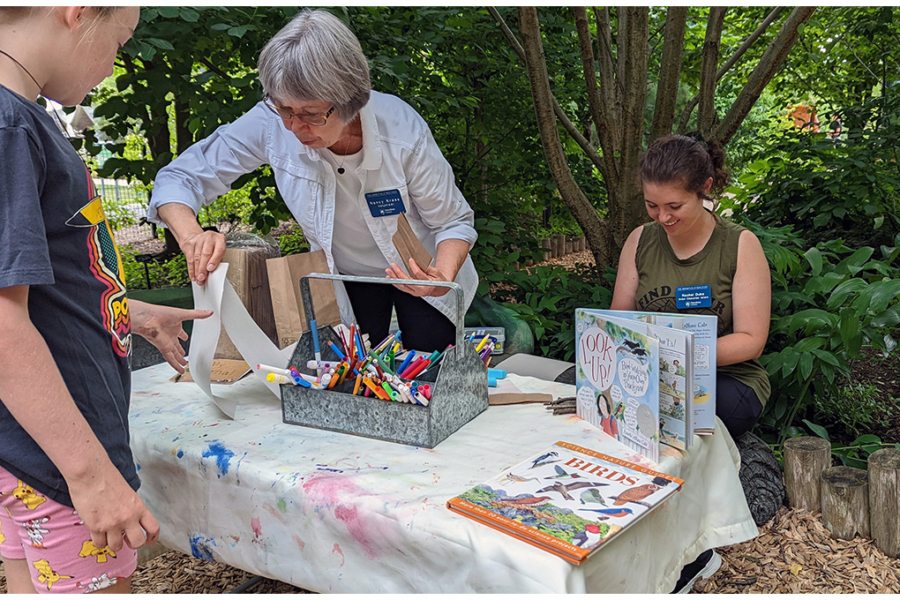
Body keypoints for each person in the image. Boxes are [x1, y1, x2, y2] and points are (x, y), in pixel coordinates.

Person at [0, 7, 212, 593]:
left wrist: (132, 312)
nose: (113, 63)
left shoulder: (22, 120)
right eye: (119, 41)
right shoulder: (9, 127)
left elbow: (34, 284)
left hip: (24, 449)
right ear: (77, 12)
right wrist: (90, 475)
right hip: (55, 460)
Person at [148, 9, 479, 353]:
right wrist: (192, 238)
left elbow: (453, 222)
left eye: (311, 114)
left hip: (422, 270)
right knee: (352, 379)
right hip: (343, 276)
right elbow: (179, 178)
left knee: (429, 369)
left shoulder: (402, 131)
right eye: (284, 110)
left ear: (351, 99)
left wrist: (440, 279)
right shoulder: (271, 122)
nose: (294, 127)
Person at [610, 134, 771, 592]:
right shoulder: (640, 241)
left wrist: (675, 350)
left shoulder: (739, 244)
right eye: (651, 206)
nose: (662, 218)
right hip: (651, 373)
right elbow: (619, 323)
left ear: (704, 188)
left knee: (666, 418)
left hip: (726, 379)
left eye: (674, 206)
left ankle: (693, 552)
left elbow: (751, 341)